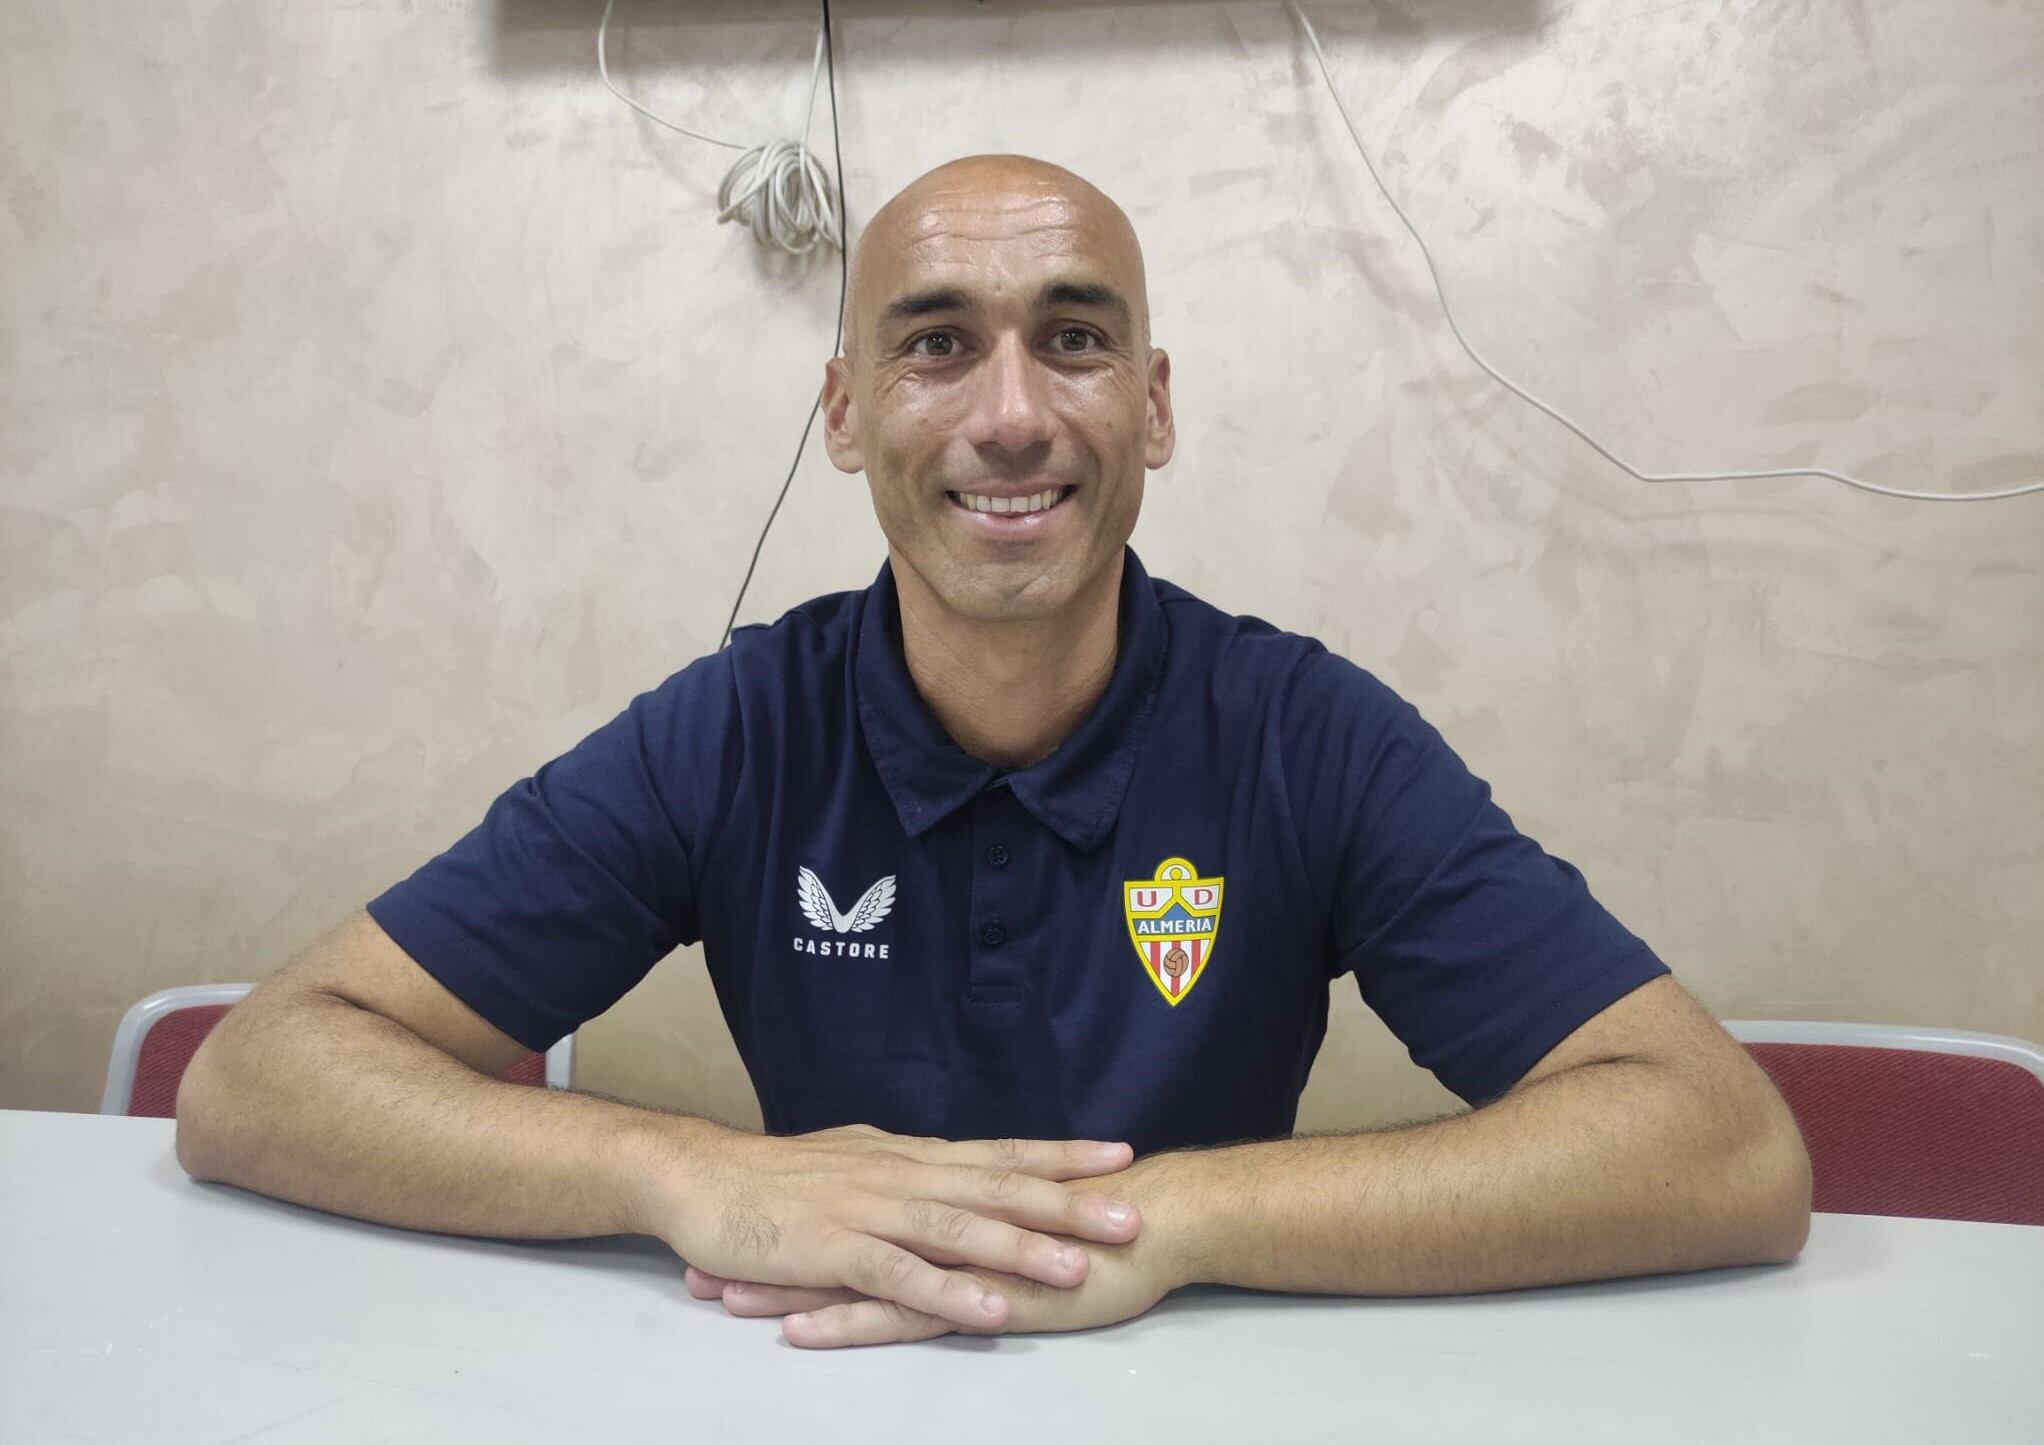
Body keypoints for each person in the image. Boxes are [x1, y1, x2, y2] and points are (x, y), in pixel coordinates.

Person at [176, 154, 1811, 1350]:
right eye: (938, 341)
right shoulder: (738, 726)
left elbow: (1721, 1143)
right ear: (843, 411)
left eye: (1075, 340)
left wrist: (1168, 1222)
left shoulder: (1308, 733)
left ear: (1154, 408)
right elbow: (261, 1075)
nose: (1012, 413)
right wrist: (691, 1173)